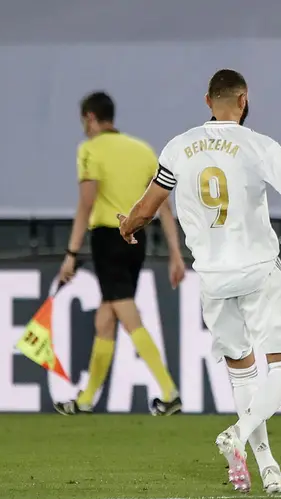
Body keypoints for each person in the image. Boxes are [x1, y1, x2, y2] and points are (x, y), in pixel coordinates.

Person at [118, 69, 281, 493]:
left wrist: (127, 225)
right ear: (243, 100)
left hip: (211, 276)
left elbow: (147, 207)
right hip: (258, 269)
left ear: (208, 100)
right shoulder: (258, 145)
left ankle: (266, 469)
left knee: (241, 370)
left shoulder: (178, 146)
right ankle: (239, 434)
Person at [54, 91, 186, 417]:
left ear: (90, 118)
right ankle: (85, 401)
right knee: (105, 319)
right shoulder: (142, 150)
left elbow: (87, 203)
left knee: (126, 313)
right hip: (136, 238)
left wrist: (71, 252)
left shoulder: (89, 150)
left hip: (108, 238)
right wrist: (175, 253)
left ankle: (169, 392)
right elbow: (163, 206)